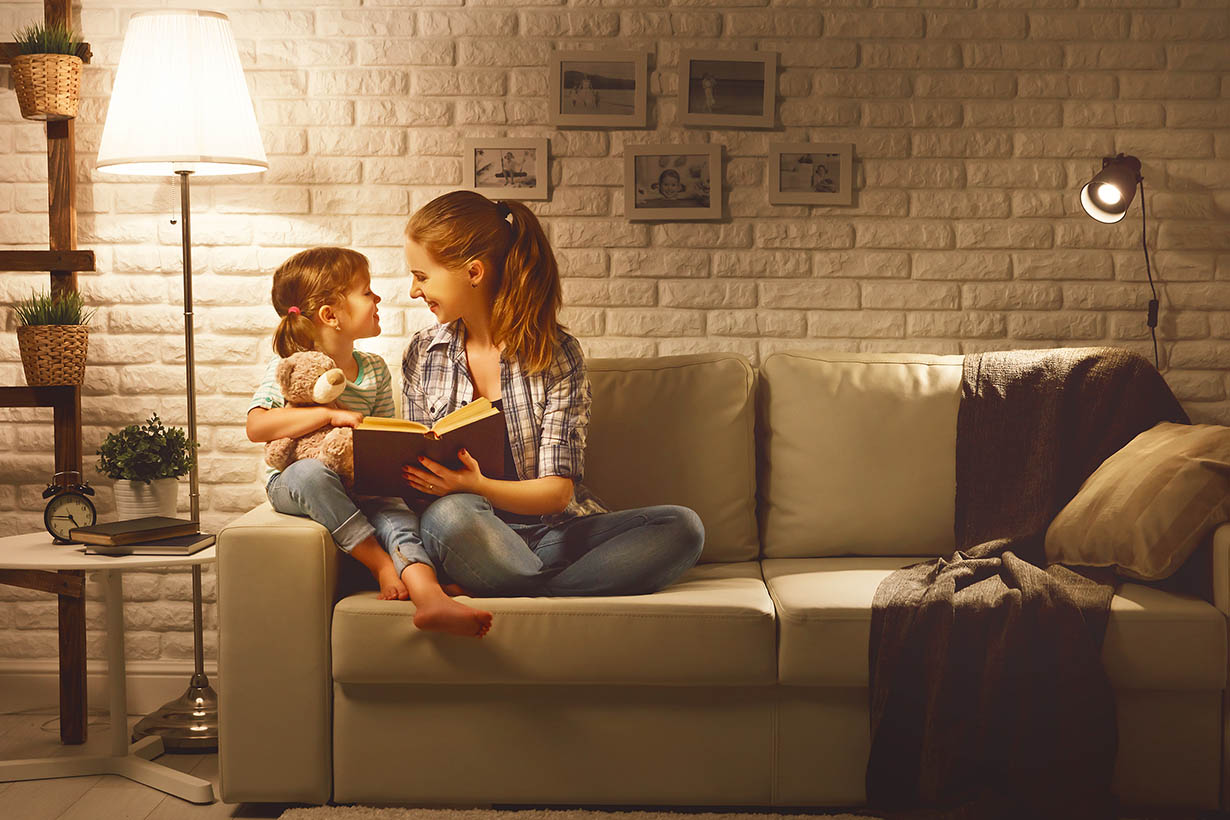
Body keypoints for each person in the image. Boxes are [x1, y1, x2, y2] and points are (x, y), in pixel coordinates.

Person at [399, 190, 706, 598]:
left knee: (682, 527)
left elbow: (557, 494)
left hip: (552, 533)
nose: (413, 291)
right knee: (451, 515)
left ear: (474, 272)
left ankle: (522, 585)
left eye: (422, 276)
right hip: (471, 528)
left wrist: (476, 484)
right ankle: (541, 582)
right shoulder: (424, 353)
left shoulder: (556, 355)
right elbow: (416, 477)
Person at [246, 246, 493, 638]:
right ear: (331, 315)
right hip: (298, 482)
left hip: (361, 482)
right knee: (309, 472)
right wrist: (326, 415)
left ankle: (429, 596)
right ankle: (378, 563)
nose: (377, 298)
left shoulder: (374, 370)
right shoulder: (289, 365)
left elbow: (383, 433)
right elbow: (258, 428)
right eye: (366, 291)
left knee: (396, 514)